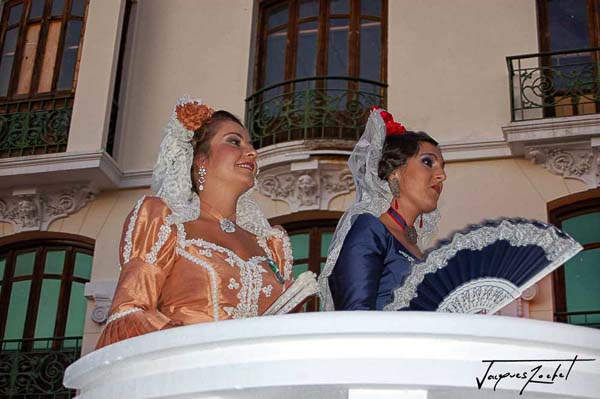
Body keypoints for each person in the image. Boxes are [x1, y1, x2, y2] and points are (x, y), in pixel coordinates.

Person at [96, 97, 293, 348]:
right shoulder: (165, 221)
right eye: (234, 142)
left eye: (251, 145)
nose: (251, 152)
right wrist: (191, 346)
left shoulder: (271, 244)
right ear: (200, 159)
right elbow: (130, 310)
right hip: (189, 373)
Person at [318, 108, 446, 311]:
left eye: (442, 167)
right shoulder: (371, 228)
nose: (441, 176)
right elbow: (354, 315)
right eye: (428, 162)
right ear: (395, 173)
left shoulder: (417, 248)